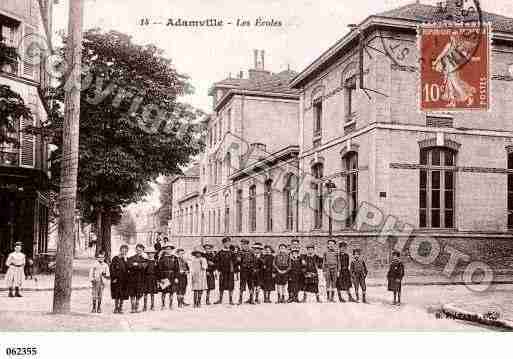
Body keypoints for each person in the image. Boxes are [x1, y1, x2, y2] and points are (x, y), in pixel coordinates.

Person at [214, 237, 237, 305]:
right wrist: (218, 269)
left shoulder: (232, 252)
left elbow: (235, 262)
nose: (227, 244)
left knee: (231, 285)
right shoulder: (220, 252)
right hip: (222, 271)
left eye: (229, 242)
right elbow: (216, 261)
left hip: (230, 271)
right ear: (223, 243)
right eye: (226, 243)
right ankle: (220, 299)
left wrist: (234, 268)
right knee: (221, 285)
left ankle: (231, 300)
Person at [127, 244, 148, 313]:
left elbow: (144, 267)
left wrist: (136, 264)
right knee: (132, 293)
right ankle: (133, 308)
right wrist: (138, 265)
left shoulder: (144, 259)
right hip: (132, 278)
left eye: (140, 250)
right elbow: (129, 265)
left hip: (140, 278)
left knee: (139, 293)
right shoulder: (131, 258)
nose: (139, 251)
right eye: (137, 250)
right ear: (135, 250)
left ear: (142, 251)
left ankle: (137, 307)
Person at [158, 244, 178, 309]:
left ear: (172, 250)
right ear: (165, 250)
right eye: (167, 249)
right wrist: (161, 278)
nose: (168, 250)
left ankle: (171, 304)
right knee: (164, 291)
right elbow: (159, 269)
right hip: (164, 276)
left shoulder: (175, 258)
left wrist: (176, 277)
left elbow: (177, 269)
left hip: (172, 276)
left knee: (171, 292)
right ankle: (163, 305)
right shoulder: (162, 258)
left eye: (170, 249)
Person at [110, 244, 129, 314]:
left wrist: (126, 260)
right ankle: (116, 307)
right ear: (120, 250)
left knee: (122, 294)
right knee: (117, 294)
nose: (124, 252)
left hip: (124, 280)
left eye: (125, 251)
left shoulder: (126, 259)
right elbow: (112, 269)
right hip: (117, 279)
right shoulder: (115, 258)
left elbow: (128, 269)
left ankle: (120, 308)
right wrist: (114, 277)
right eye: (122, 250)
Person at [238, 238, 257, 305]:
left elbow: (255, 261)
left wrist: (254, 268)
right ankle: (240, 299)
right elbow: (238, 261)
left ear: (247, 245)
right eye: (242, 245)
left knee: (251, 285)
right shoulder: (240, 252)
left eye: (244, 244)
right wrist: (238, 259)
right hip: (243, 270)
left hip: (250, 270)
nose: (243, 246)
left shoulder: (251, 252)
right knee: (242, 285)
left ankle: (251, 299)